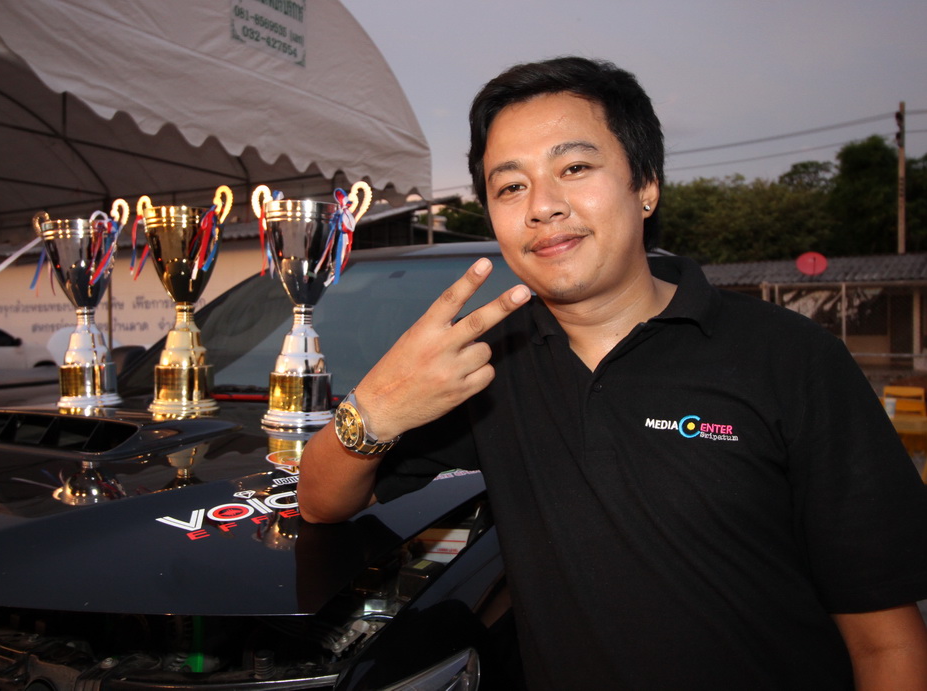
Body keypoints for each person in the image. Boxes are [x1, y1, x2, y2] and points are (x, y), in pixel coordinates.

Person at [298, 56, 927, 689]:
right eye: (510, 186)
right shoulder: (488, 365)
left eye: (574, 168)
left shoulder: (791, 358)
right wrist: (377, 405)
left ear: (646, 185)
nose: (542, 207)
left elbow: (888, 643)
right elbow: (321, 501)